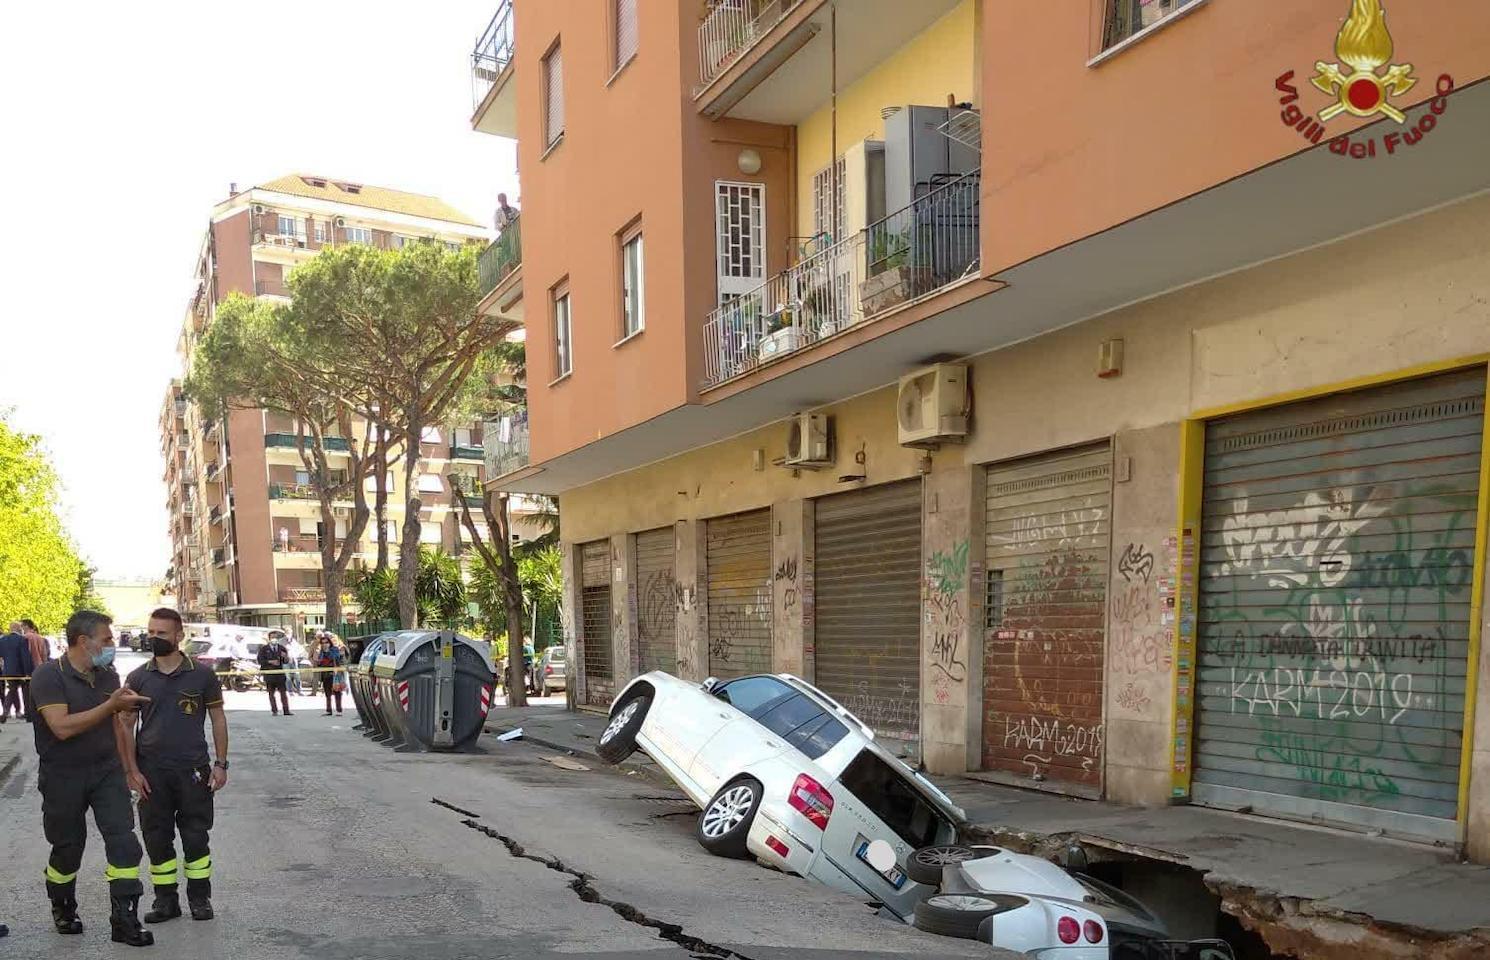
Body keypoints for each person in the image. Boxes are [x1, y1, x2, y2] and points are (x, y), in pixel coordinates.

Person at [29, 609, 154, 946]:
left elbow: (117, 727)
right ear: (84, 642)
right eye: (107, 640)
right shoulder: (47, 676)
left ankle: (124, 919)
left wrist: (130, 769)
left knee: (125, 843)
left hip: (106, 772)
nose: (113, 645)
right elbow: (61, 727)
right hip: (62, 776)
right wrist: (110, 706)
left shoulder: (108, 676)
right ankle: (63, 905)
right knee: (68, 848)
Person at [122, 607, 229, 925]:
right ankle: (166, 901)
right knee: (156, 837)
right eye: (151, 632)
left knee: (196, 836)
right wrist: (131, 771)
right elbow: (126, 726)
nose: (154, 638)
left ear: (179, 636)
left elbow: (218, 719)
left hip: (193, 771)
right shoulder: (138, 677)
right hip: (152, 773)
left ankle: (200, 899)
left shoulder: (202, 675)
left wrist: (220, 764)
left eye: (162, 633)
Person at [1, 620, 35, 723]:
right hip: (20, 671)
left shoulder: (3, 640)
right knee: (25, 692)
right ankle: (27, 714)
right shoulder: (22, 640)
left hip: (7, 670)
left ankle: (7, 712)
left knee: (12, 690)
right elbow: (25, 657)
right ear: (18, 629)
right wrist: (28, 671)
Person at [257, 632, 292, 716]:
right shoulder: (264, 649)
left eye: (276, 637)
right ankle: (274, 710)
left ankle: (286, 710)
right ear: (269, 639)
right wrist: (270, 662)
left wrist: (285, 657)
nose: (274, 639)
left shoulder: (281, 648)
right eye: (272, 637)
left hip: (279, 674)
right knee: (271, 694)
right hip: (269, 674)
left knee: (283, 693)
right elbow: (260, 660)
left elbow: (286, 661)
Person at [313, 633, 345, 716]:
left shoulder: (334, 649)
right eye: (322, 643)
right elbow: (319, 661)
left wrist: (327, 652)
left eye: (326, 642)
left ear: (329, 642)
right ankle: (329, 710)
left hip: (335, 674)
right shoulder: (321, 651)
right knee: (327, 693)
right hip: (325, 674)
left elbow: (335, 657)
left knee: (337, 692)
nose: (324, 644)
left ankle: (339, 710)